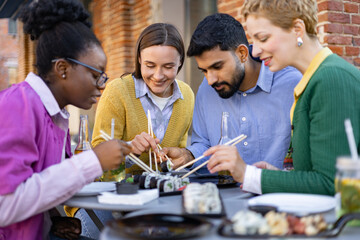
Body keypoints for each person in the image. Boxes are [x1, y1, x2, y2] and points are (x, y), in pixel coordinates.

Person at [0, 0, 132, 239]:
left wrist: (52, 220)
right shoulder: (17, 105)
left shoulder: (54, 115)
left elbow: (35, 180)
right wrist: (93, 161)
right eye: (95, 75)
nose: (101, 86)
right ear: (62, 68)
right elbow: (5, 205)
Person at [206, 0, 360, 195]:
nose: (255, 51)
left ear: (297, 29)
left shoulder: (331, 79)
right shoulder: (313, 80)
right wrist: (278, 177)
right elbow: (315, 173)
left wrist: (247, 174)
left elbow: (331, 184)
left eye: (263, 38)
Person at [72, 23, 195, 239]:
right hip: (110, 197)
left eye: (168, 66)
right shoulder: (117, 91)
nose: (158, 75)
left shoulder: (187, 96)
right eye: (150, 65)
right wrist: (128, 151)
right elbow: (97, 155)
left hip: (159, 197)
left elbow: (181, 152)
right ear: (139, 59)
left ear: (180, 64)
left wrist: (180, 156)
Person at [161, 13, 302, 172]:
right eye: (204, 71)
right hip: (222, 194)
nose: (210, 80)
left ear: (242, 54)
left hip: (276, 193)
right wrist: (188, 155)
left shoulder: (292, 85)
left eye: (217, 67)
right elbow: (204, 144)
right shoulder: (207, 90)